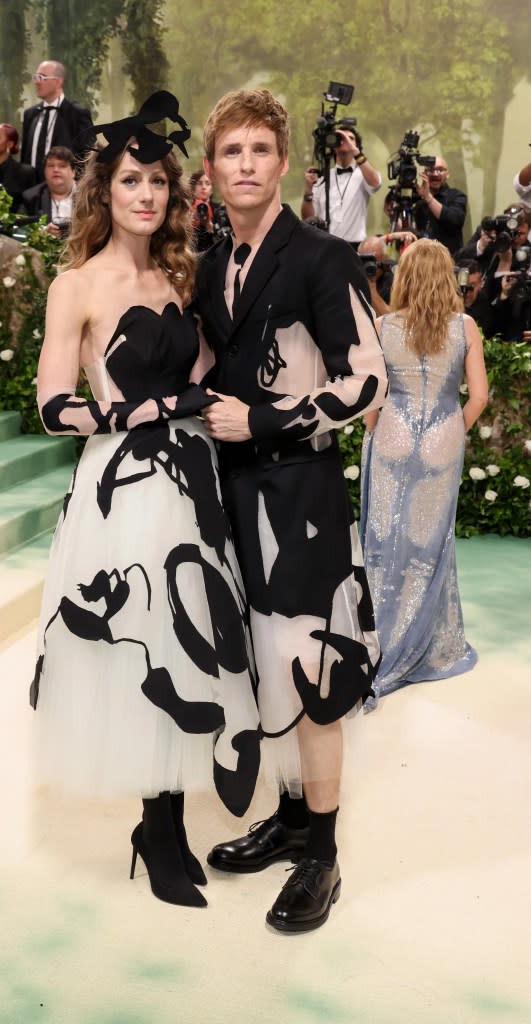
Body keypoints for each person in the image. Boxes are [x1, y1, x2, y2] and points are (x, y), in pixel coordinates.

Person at [29, 91, 261, 910]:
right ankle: (156, 830)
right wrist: (137, 411)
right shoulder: (76, 285)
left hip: (191, 482)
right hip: (120, 488)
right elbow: (52, 403)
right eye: (131, 179)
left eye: (158, 180)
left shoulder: (178, 275)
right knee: (138, 646)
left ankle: (166, 820)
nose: (146, 194)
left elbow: (202, 380)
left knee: (188, 645)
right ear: (105, 190)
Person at [195, 89, 388, 933]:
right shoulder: (208, 265)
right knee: (260, 666)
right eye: (229, 152)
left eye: (258, 151)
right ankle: (289, 818)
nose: (244, 165)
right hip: (232, 495)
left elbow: (368, 378)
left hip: (300, 491)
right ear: (211, 170)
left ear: (282, 165)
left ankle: (324, 855)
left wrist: (268, 417)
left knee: (313, 673)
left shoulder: (320, 255)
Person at [360, 239, 488, 709]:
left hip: (392, 431)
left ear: (406, 277)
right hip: (442, 434)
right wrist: (453, 429)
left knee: (382, 539)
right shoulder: (465, 326)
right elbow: (478, 396)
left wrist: (373, 435)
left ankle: (376, 641)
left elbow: (372, 395)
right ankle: (421, 644)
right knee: (427, 546)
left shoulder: (382, 326)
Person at [301, 127, 382, 247]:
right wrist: (308, 189)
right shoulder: (323, 177)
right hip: (326, 246)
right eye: (341, 138)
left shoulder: (363, 174)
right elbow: (308, 218)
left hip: (355, 246)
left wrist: (355, 152)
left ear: (357, 147)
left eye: (350, 138)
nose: (345, 141)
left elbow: (376, 183)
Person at [21, 61, 93, 182]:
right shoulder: (30, 114)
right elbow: (24, 156)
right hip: (32, 191)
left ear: (58, 81)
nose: (36, 82)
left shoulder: (77, 114)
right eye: (35, 77)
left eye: (41, 77)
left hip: (67, 191)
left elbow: (88, 155)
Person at [414, 157, 467, 255]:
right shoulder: (419, 202)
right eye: (431, 170)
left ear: (448, 174)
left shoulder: (456, 195)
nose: (435, 174)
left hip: (448, 259)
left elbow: (454, 220)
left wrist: (428, 197)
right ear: (424, 173)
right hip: (423, 260)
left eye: (440, 170)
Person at [21, 146, 77, 236]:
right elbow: (21, 230)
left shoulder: (88, 196)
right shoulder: (31, 197)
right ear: (44, 171)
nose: (56, 170)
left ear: (73, 172)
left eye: (62, 166)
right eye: (51, 166)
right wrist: (43, 232)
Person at [189, 170, 216, 251]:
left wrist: (211, 227)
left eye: (208, 184)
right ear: (193, 188)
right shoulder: (185, 209)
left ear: (212, 189)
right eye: (200, 183)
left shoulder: (217, 210)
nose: (204, 187)